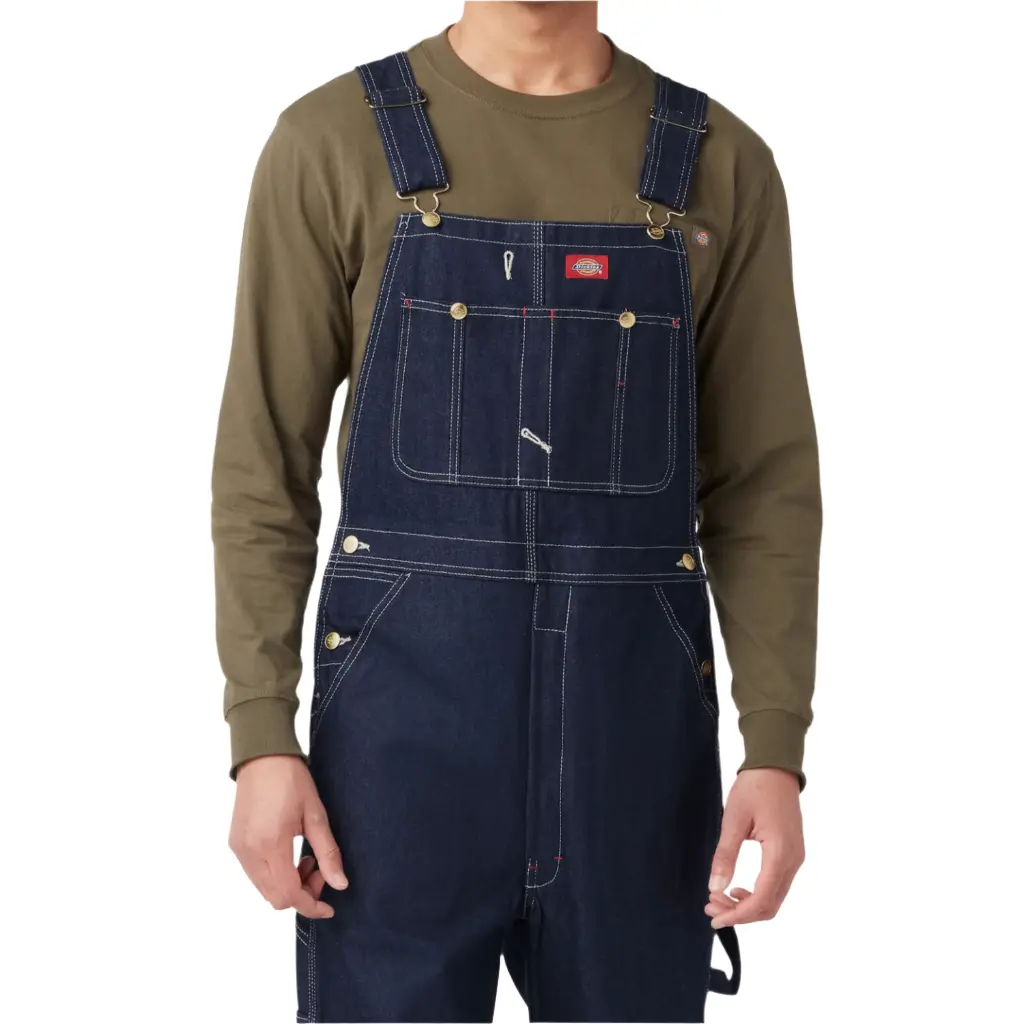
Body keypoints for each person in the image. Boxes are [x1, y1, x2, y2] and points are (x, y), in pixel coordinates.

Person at [211, 2, 820, 1020]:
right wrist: (261, 733)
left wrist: (775, 748)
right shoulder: (330, 142)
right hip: (396, 773)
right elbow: (260, 469)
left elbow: (764, 487)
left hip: (634, 766)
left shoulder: (721, 164)